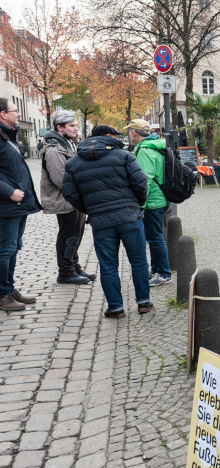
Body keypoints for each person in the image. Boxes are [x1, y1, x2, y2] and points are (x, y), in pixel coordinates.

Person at [62, 125, 152, 319]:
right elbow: (140, 182)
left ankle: (116, 308)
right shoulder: (123, 156)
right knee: (138, 261)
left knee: (108, 265)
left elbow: (69, 193)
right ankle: (143, 302)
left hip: (100, 220)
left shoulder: (73, 163)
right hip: (129, 215)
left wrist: (90, 209)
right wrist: (138, 204)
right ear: (108, 136)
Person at [41, 110, 94, 285]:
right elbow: (61, 178)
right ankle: (65, 272)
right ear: (60, 127)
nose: (75, 129)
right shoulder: (54, 149)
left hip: (73, 199)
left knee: (76, 235)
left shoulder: (66, 144)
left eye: (76, 125)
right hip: (65, 200)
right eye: (71, 126)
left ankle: (74, 267)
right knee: (68, 237)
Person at [0, 98, 42, 312]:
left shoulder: (9, 135)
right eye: (15, 110)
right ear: (2, 114)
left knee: (14, 247)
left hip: (17, 204)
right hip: (6, 204)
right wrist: (9, 192)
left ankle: (9, 289)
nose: (18, 114)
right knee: (5, 250)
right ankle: (3, 295)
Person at [127, 119, 172, 287]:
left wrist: (141, 204)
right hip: (160, 198)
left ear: (134, 132)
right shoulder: (155, 145)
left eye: (129, 131)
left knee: (155, 238)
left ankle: (164, 273)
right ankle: (156, 270)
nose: (129, 134)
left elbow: (145, 180)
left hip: (153, 201)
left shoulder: (145, 150)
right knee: (154, 237)